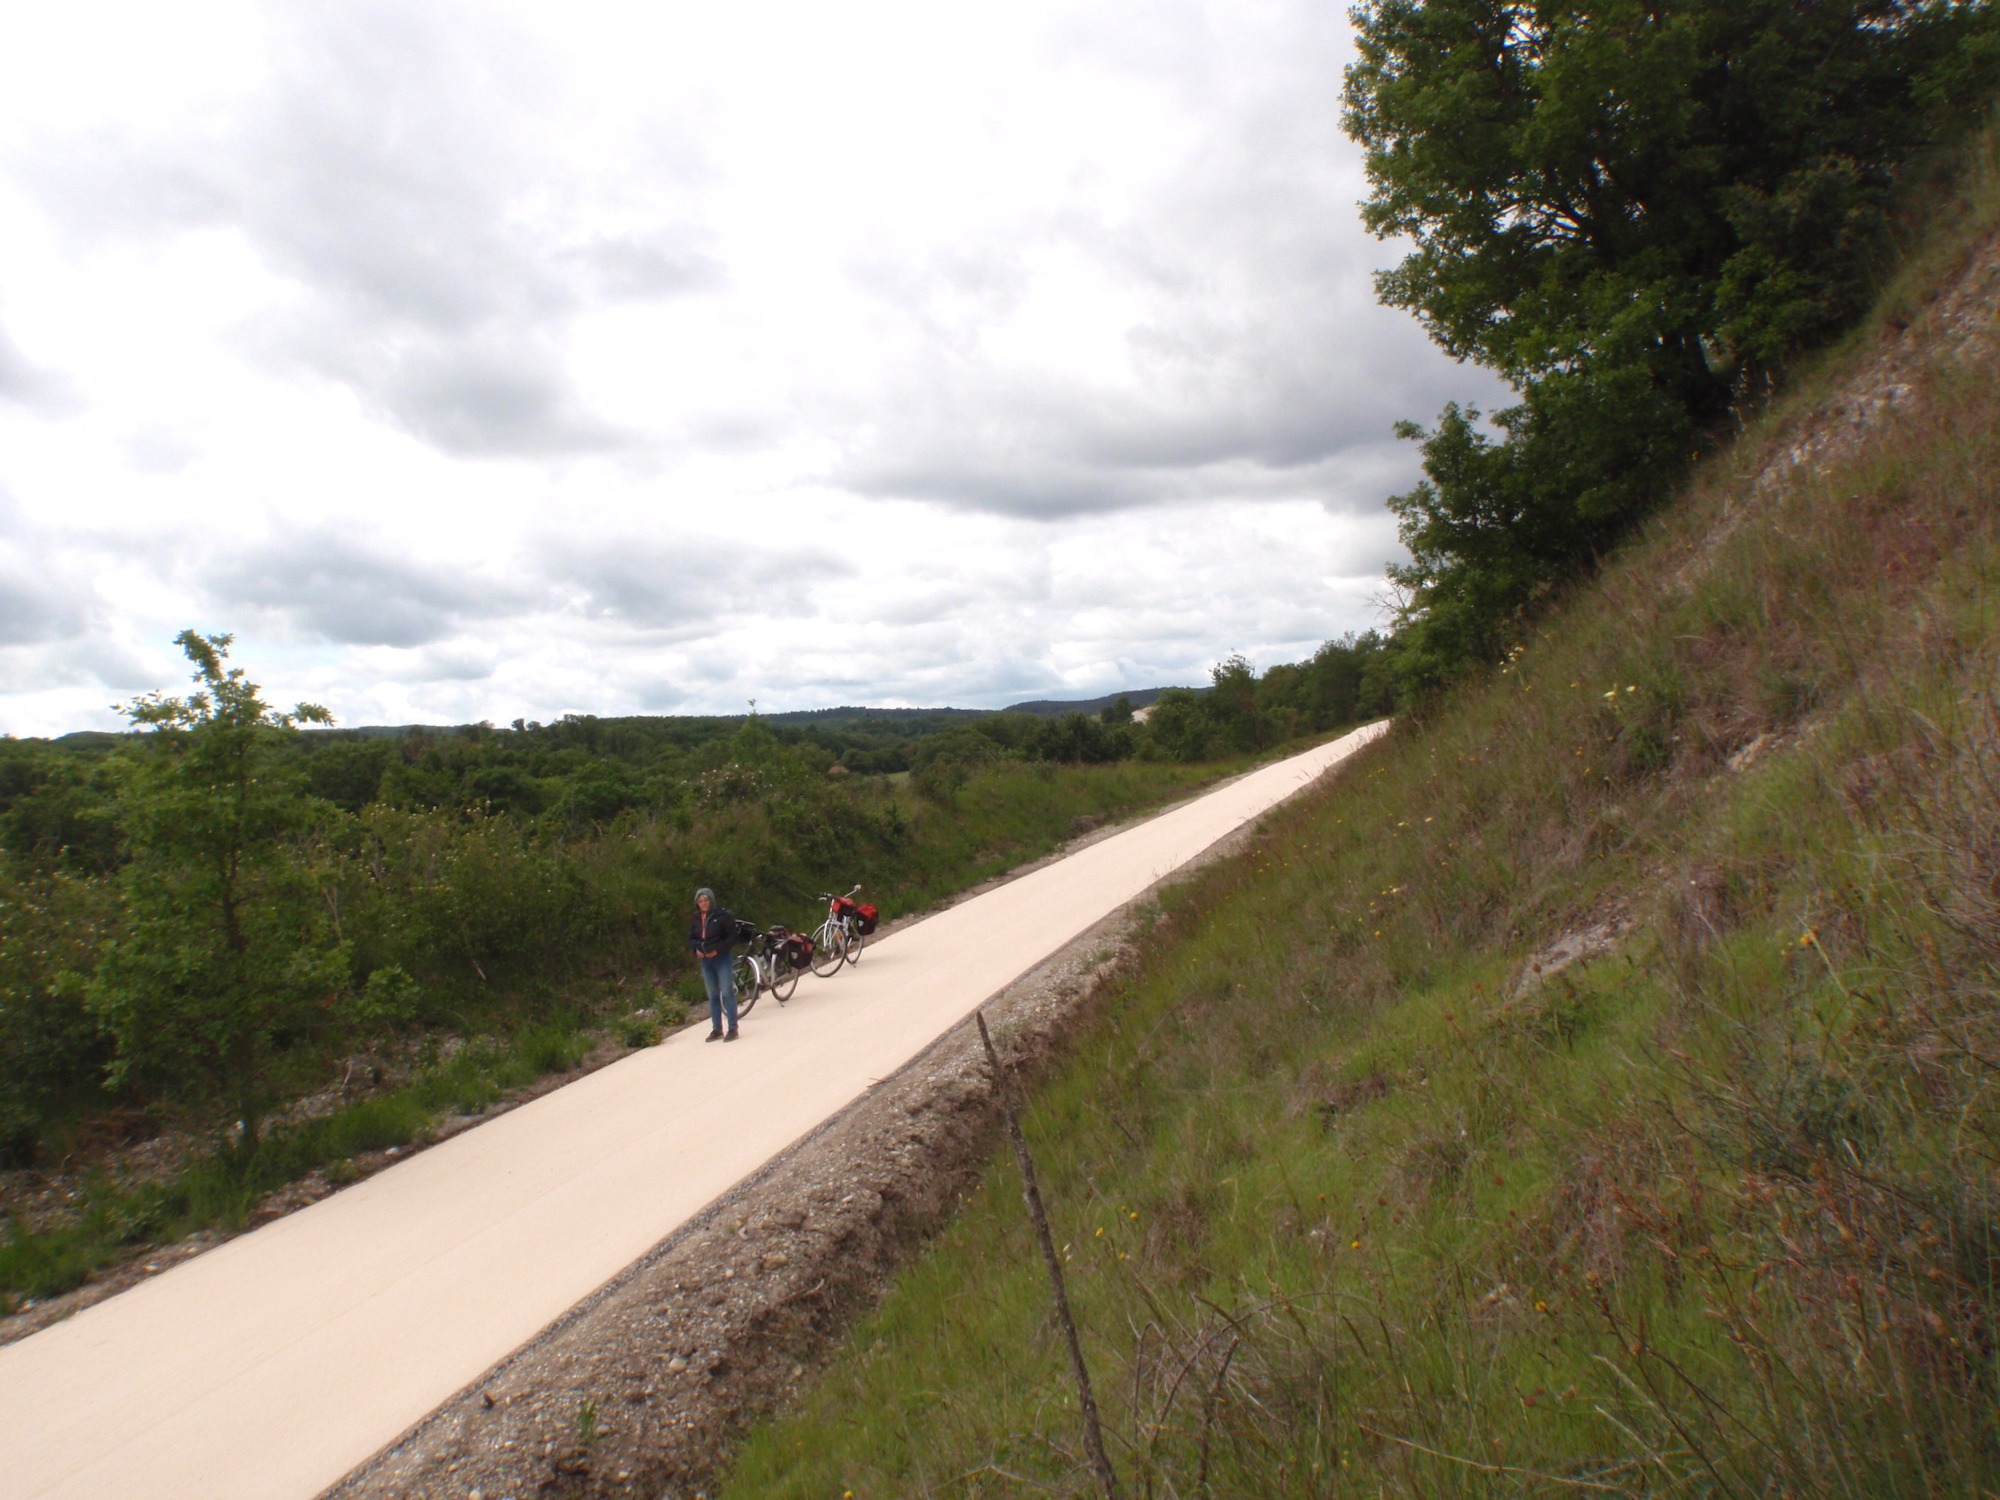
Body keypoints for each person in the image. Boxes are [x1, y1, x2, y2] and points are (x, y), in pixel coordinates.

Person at [689, 887, 739, 1041]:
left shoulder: (722, 916)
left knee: (727, 992)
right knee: (713, 995)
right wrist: (695, 950)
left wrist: (717, 950)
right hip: (705, 960)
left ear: (711, 901)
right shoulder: (696, 918)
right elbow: (691, 938)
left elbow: (732, 936)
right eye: (700, 901)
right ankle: (717, 1029)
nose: (703, 903)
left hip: (721, 958)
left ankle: (732, 1028)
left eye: (706, 900)